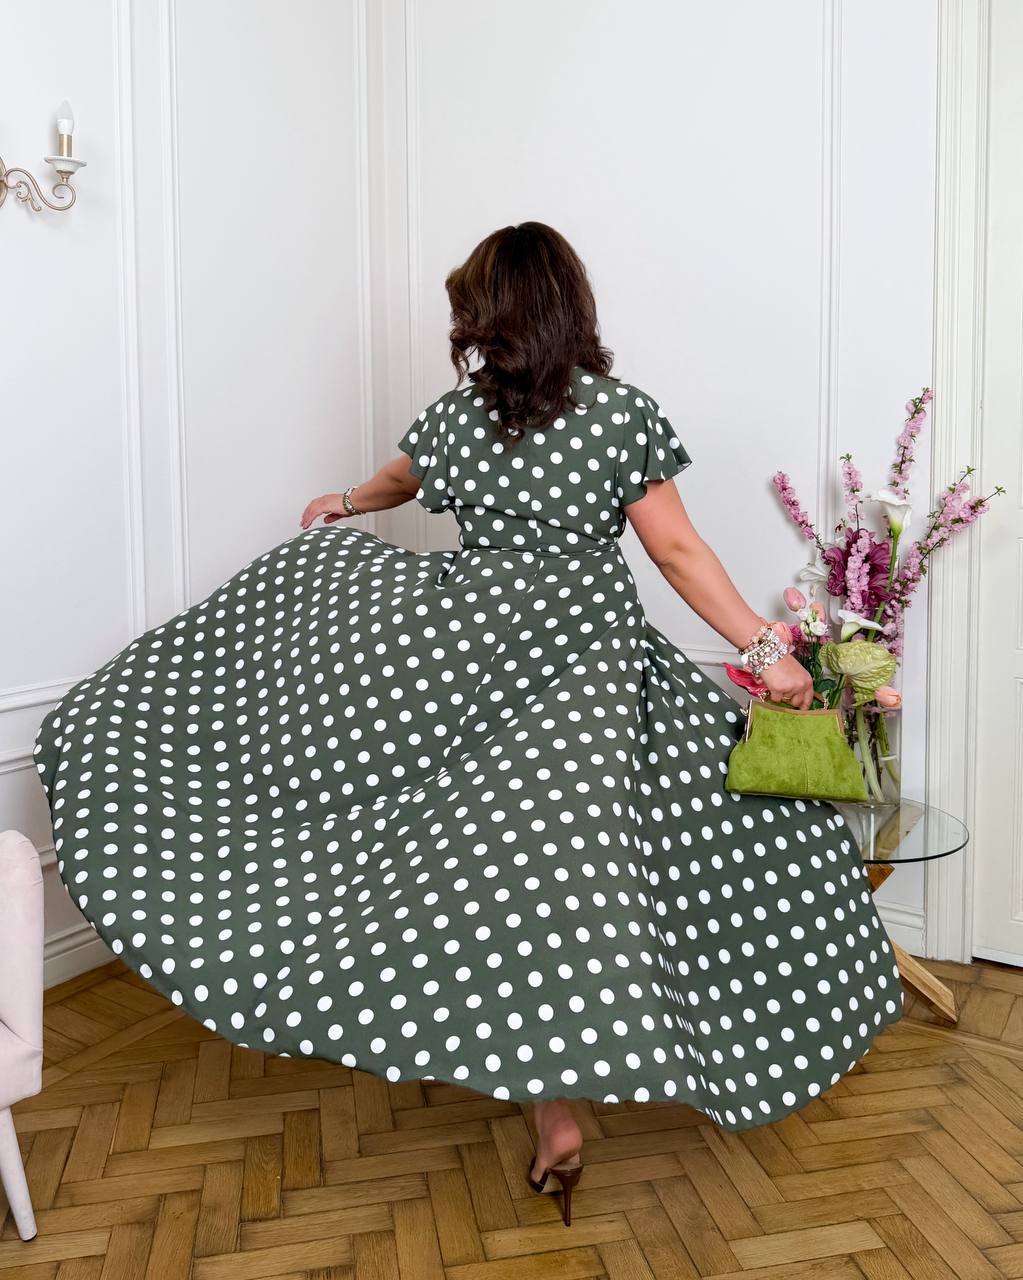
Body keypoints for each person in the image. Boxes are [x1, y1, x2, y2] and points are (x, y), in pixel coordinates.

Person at [35, 221, 904, 1231]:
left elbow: (399, 483)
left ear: (494, 317)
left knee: (484, 876)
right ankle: (588, 1091)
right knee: (572, 881)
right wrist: (763, 649)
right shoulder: (618, 414)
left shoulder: (457, 417)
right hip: (581, 665)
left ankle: (549, 1105)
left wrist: (342, 503)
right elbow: (675, 552)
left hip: (461, 654)